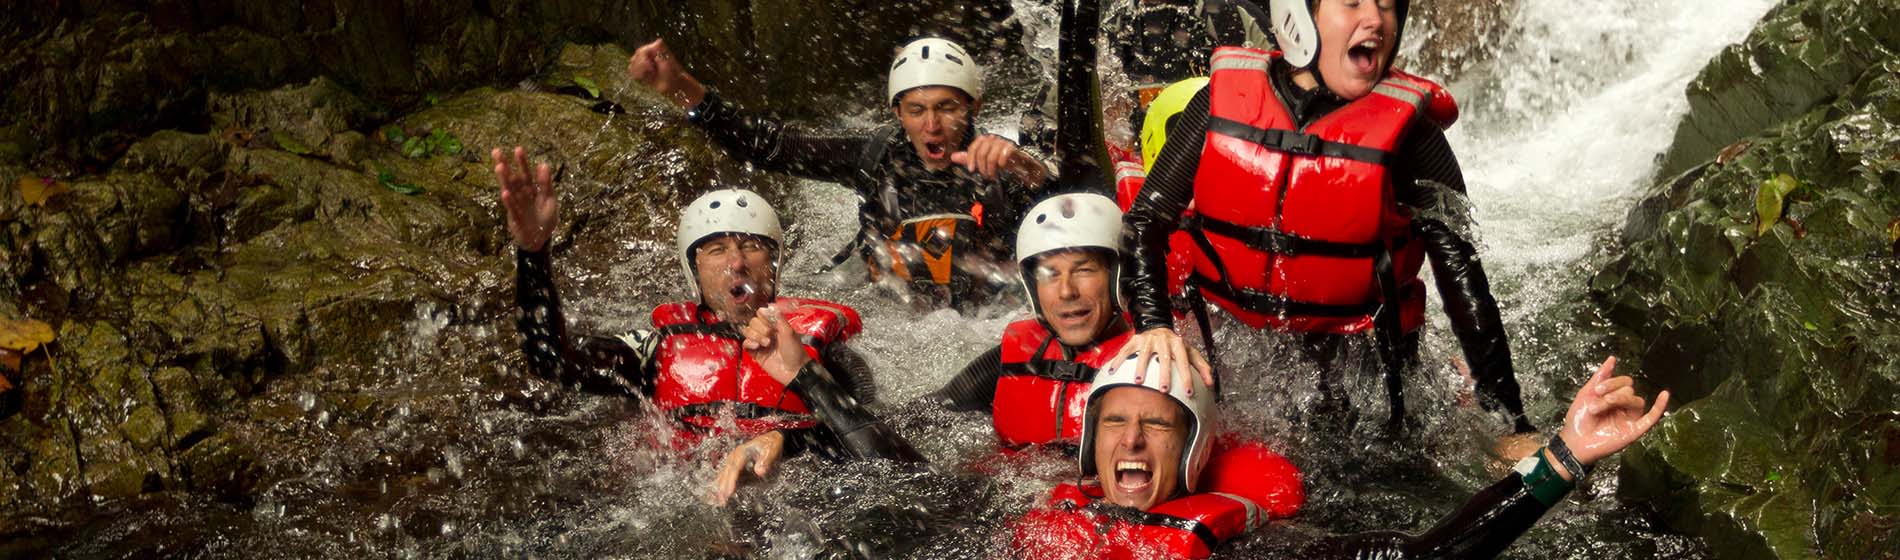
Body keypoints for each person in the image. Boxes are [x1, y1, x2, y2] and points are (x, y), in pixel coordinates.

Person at [1120, 0, 1543, 456]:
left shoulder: (1414, 136)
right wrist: (1153, 324)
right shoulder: (1219, 102)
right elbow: (1145, 221)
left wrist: (1510, 424)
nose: (1376, 20)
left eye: (1387, 7)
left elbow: (1463, 280)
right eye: (1353, 3)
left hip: (1370, 387)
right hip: (1238, 365)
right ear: (1298, 16)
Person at [1010, 353, 1671, 559]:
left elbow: (1427, 556)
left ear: (1190, 453)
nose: (1130, 440)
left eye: (1154, 425)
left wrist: (1565, 456)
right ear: (1089, 447)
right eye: (1115, 424)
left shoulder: (1249, 547)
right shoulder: (1034, 515)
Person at [496, 145, 878, 453]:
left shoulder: (822, 352)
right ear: (693, 271)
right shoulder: (655, 350)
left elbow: (870, 442)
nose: (736, 263)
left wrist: (787, 441)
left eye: (752, 247)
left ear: (775, 264)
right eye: (716, 250)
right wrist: (534, 255)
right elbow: (550, 359)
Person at [627, 36, 1053, 309]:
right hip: (892, 320)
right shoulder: (875, 157)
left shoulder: (1004, 166)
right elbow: (770, 145)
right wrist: (682, 87)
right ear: (896, 112)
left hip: (982, 320)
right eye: (916, 110)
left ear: (974, 108)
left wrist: (1031, 173)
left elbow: (1072, 219)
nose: (932, 126)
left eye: (947, 107)